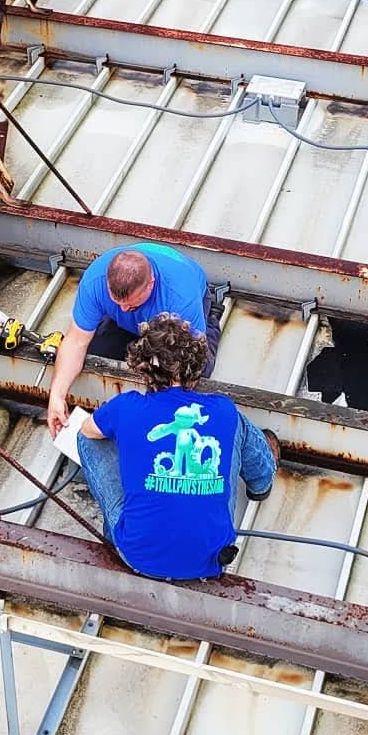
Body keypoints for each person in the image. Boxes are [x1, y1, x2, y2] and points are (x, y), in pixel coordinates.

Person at [72, 314, 277, 581]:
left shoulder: (127, 406)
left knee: (85, 438)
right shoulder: (222, 409)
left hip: (138, 556)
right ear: (195, 365)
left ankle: (116, 534)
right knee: (237, 424)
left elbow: (88, 430)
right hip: (212, 558)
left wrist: (129, 435)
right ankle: (261, 484)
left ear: (142, 367)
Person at [47, 242, 220, 437]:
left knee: (199, 371)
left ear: (151, 284)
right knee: (95, 354)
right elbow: (76, 342)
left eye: (130, 304)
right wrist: (56, 395)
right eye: (117, 302)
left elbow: (185, 368)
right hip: (134, 322)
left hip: (177, 318)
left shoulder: (180, 297)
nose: (123, 309)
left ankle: (211, 320)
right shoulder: (95, 281)